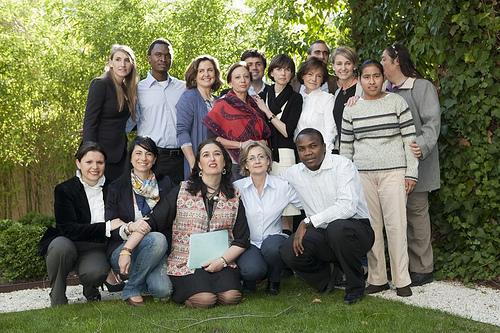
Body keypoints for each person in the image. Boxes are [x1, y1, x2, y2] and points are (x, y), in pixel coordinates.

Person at [340, 60, 418, 297]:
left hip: (394, 172)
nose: (371, 81)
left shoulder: (396, 102)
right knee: (371, 229)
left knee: (397, 226)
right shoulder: (351, 108)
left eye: (376, 76)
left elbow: (410, 140)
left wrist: (411, 173)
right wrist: (347, 181)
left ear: (383, 77)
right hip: (363, 175)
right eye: (366, 77)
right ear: (360, 79)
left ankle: (402, 279)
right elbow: (346, 148)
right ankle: (377, 278)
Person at [147, 139, 250, 308]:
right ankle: (189, 293)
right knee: (205, 300)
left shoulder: (234, 195)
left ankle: (214, 284)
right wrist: (129, 246)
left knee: (231, 297)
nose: (212, 159)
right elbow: (156, 219)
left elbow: (242, 239)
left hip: (222, 260)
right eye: (206, 155)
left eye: (217, 154)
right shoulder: (182, 190)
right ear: (199, 164)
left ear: (224, 163)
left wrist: (222, 261)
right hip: (186, 262)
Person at [279, 128, 374, 305]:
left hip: (356, 230)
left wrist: (308, 221)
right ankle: (327, 280)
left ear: (324, 147)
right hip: (323, 234)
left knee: (337, 228)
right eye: (302, 148)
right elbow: (272, 184)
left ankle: (355, 286)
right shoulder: (294, 173)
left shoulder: (342, 165)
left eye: (313, 146)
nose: (308, 153)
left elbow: (347, 207)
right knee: (288, 249)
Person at [381, 43, 441, 286]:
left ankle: (423, 268)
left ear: (396, 61)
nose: (381, 63)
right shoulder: (384, 90)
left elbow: (432, 122)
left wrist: (422, 145)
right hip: (389, 165)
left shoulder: (422, 87)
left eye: (384, 59)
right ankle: (400, 266)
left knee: (416, 215)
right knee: (395, 217)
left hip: (417, 164)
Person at [41, 142, 126, 306]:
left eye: (100, 162)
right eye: (89, 162)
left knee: (95, 272)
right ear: (78, 163)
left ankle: (90, 287)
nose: (95, 167)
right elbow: (68, 229)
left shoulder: (114, 188)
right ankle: (57, 295)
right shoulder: (64, 190)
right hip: (68, 242)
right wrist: (107, 226)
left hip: (94, 247)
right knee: (59, 246)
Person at [105, 137, 174, 306]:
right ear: (130, 157)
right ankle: (133, 287)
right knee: (156, 238)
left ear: (155, 159)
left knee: (163, 290)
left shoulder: (166, 183)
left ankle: (137, 280)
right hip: (122, 249)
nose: (143, 158)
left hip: (158, 248)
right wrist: (130, 227)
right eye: (138, 153)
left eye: (148, 154)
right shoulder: (117, 187)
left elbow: (172, 218)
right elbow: (110, 223)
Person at [234, 141, 301, 295]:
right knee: (252, 270)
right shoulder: (237, 188)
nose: (257, 161)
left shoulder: (283, 186)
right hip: (249, 242)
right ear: (245, 165)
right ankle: (250, 280)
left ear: (268, 161)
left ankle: (274, 279)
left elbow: (305, 203)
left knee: (272, 248)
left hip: (274, 240)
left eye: (261, 157)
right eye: (251, 158)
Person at [252, 54, 303, 231]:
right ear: (271, 72)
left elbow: (287, 131)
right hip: (264, 153)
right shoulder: (263, 94)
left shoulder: (296, 98)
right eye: (279, 69)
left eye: (288, 70)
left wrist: (267, 111)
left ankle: (287, 244)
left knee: (287, 207)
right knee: (267, 203)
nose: (283, 73)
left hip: (285, 154)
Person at [132, 38, 186, 184]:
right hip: (151, 158)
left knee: (177, 203)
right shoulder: (137, 89)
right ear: (149, 58)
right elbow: (124, 121)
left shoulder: (183, 88)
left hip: (180, 158)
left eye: (167, 55)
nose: (163, 59)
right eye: (158, 54)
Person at [203, 62, 271, 179]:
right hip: (235, 164)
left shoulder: (256, 104)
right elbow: (213, 139)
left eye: (246, 77)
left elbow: (264, 134)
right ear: (230, 82)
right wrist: (241, 145)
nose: (243, 80)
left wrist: (263, 142)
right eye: (237, 77)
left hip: (258, 161)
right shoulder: (222, 105)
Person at [83, 44, 138, 182]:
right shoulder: (100, 84)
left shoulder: (126, 89)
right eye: (118, 59)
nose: (122, 64)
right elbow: (90, 122)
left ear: (132, 64)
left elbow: (124, 122)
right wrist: (91, 155)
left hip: (120, 154)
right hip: (100, 155)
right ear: (110, 63)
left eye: (127, 60)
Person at [176, 55, 223, 180]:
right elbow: (182, 131)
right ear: (194, 75)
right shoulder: (189, 97)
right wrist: (193, 163)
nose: (206, 74)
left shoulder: (219, 101)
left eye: (210, 70)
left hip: (218, 163)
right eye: (201, 71)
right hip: (198, 162)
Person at [294, 58, 337, 154]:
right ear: (303, 76)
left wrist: (326, 152)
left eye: (318, 76)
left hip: (321, 153)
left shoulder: (327, 99)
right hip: (301, 153)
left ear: (322, 80)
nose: (314, 79)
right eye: (310, 74)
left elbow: (331, 129)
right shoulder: (296, 99)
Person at [331, 47, 362, 153]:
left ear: (354, 65)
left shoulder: (363, 88)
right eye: (339, 64)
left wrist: (361, 100)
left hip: (361, 149)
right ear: (333, 66)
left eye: (347, 63)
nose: (343, 68)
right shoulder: (337, 93)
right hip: (343, 150)